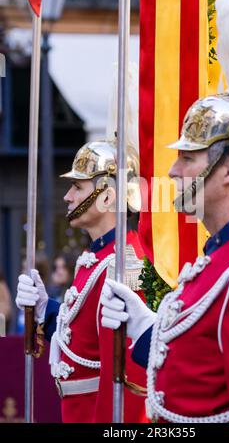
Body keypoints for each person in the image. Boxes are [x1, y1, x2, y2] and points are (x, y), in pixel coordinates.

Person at [100, 0, 229, 423]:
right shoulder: (224, 253)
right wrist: (144, 326)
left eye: (187, 158)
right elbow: (199, 365)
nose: (171, 171)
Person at [15, 140, 147, 423]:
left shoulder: (122, 264)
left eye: (78, 187)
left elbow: (124, 376)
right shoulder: (96, 255)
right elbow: (82, 344)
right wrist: (44, 309)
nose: (68, 196)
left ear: (107, 197)